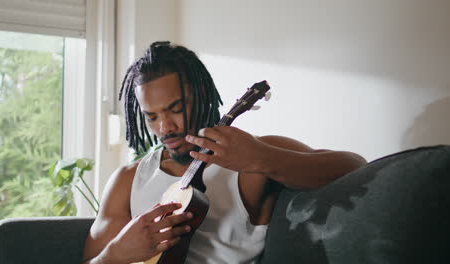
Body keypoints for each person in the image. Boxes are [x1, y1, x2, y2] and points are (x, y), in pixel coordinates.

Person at [81, 41, 367, 264]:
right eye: (151, 117)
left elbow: (354, 167)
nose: (165, 127)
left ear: (203, 96)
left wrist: (261, 157)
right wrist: (116, 253)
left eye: (176, 109)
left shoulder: (249, 160)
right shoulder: (127, 180)